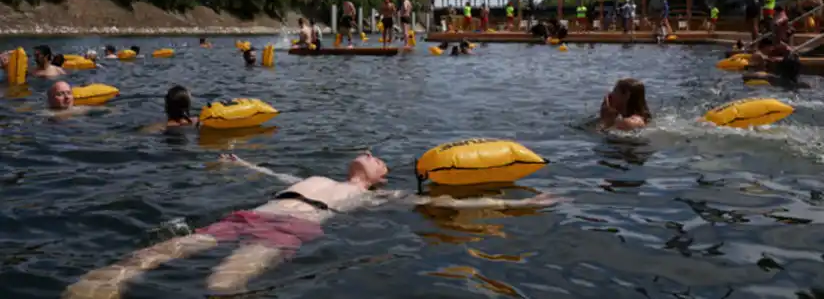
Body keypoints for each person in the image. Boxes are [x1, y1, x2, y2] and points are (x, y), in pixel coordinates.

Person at [61, 153, 558, 298]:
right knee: (166, 251)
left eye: (379, 159)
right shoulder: (315, 174)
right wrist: (238, 164)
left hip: (294, 229)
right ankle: (104, 286)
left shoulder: (375, 196)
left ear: (379, 175)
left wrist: (517, 202)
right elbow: (271, 175)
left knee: (223, 284)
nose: (372, 155)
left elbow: (451, 202)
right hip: (258, 212)